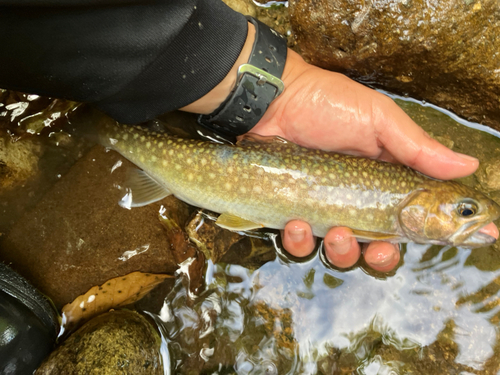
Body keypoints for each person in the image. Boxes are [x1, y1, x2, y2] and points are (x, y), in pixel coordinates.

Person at [1, 0, 496, 274]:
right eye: (464, 211)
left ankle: (110, 127)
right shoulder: (390, 214)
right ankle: (107, 128)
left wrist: (281, 88)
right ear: (429, 194)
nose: (472, 220)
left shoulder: (392, 217)